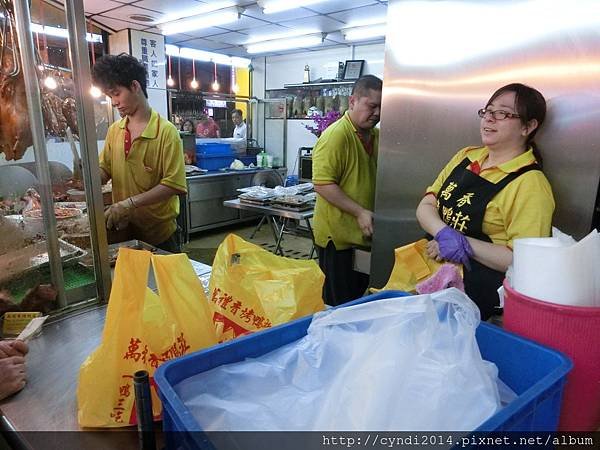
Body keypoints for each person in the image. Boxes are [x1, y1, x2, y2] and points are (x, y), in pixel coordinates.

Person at [416, 83, 554, 320]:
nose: (489, 119)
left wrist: (464, 244)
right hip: (431, 276)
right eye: (487, 111)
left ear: (528, 126)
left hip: (476, 296)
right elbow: (427, 204)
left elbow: (522, 260)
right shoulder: (467, 156)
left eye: (502, 113)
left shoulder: (530, 184)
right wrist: (444, 234)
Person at [92, 53, 187, 253]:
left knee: (166, 283)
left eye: (116, 94)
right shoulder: (114, 130)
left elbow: (173, 184)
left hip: (160, 235)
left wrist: (129, 204)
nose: (114, 102)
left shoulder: (166, 132)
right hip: (125, 231)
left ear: (135, 86)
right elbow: (105, 170)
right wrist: (89, 174)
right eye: (110, 97)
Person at [312, 75, 383, 306]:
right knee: (338, 305)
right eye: (371, 106)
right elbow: (322, 184)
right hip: (338, 239)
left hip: (363, 236)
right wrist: (359, 211)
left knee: (357, 299)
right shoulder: (335, 136)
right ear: (352, 101)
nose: (377, 113)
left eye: (382, 107)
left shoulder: (375, 135)